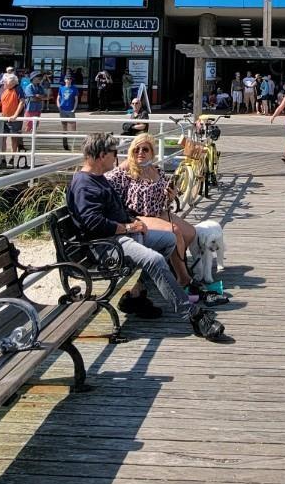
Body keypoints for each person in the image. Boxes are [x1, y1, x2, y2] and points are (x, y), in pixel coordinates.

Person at [66, 134, 225, 339]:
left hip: (121, 236)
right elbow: (94, 224)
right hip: (107, 245)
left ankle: (137, 296)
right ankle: (193, 315)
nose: (116, 157)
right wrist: (128, 227)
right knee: (155, 259)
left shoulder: (96, 179)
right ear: (101, 155)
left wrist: (134, 224)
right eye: (113, 153)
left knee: (168, 241)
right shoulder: (84, 184)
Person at [106, 135, 199, 300]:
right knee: (175, 232)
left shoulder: (156, 170)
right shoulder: (127, 169)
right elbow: (103, 184)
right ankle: (183, 278)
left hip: (158, 212)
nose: (140, 153)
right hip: (136, 215)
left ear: (152, 153)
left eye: (145, 149)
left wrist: (171, 196)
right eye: (136, 149)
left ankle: (171, 266)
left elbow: (165, 199)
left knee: (190, 232)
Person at [0, 73, 25, 166]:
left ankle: (12, 158)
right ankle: (3, 159)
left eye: (6, 82)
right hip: (4, 117)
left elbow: (22, 102)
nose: (4, 84)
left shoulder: (18, 89)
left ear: (12, 83)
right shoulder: (4, 90)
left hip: (14, 120)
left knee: (14, 138)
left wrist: (15, 115)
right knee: (2, 138)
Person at [56, 69, 79, 149]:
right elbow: (58, 98)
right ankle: (65, 144)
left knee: (73, 127)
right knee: (64, 127)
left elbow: (76, 100)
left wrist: (74, 109)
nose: (68, 80)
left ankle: (73, 144)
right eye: (67, 79)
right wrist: (59, 107)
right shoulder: (61, 88)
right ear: (65, 80)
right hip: (63, 109)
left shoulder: (74, 88)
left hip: (70, 109)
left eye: (70, 79)